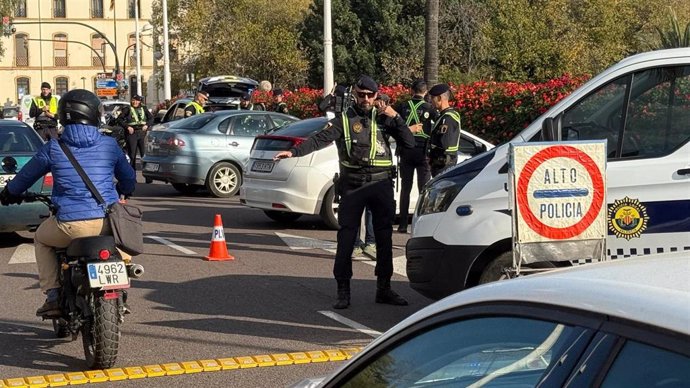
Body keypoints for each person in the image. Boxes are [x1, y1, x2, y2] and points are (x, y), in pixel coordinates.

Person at [274, 75, 415, 309]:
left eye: (371, 95)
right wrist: (294, 152)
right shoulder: (344, 120)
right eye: (362, 95)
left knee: (384, 237)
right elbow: (320, 139)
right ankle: (343, 290)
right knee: (347, 237)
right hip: (353, 184)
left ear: (377, 95)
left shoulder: (385, 117)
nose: (366, 99)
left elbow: (409, 143)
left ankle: (384, 288)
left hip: (380, 184)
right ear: (355, 95)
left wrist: (396, 117)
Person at [0, 89, 136, 317]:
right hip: (107, 220)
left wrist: (9, 193)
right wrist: (124, 191)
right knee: (116, 242)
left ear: (63, 115)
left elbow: (25, 177)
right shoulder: (109, 145)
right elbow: (129, 178)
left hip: (70, 224)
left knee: (41, 239)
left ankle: (52, 296)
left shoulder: (54, 147)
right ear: (95, 114)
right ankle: (121, 287)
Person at [395, 79, 436, 233]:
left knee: (405, 188)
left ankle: (403, 224)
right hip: (422, 152)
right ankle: (420, 224)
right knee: (423, 189)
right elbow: (437, 125)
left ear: (411, 91)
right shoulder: (429, 108)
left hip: (406, 150)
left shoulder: (402, 106)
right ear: (425, 92)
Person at [427, 83, 461, 177]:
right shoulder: (442, 116)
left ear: (439, 98)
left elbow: (444, 142)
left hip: (444, 163)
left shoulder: (448, 118)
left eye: (432, 98)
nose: (431, 101)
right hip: (440, 162)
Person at [116, 94, 153, 170]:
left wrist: (147, 125)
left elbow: (151, 118)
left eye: (136, 100)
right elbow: (119, 119)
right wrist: (127, 127)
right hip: (132, 133)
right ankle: (132, 175)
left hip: (142, 133)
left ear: (139, 101)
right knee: (132, 155)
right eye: (133, 100)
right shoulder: (127, 109)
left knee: (144, 154)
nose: (135, 102)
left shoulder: (144, 108)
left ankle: (147, 175)